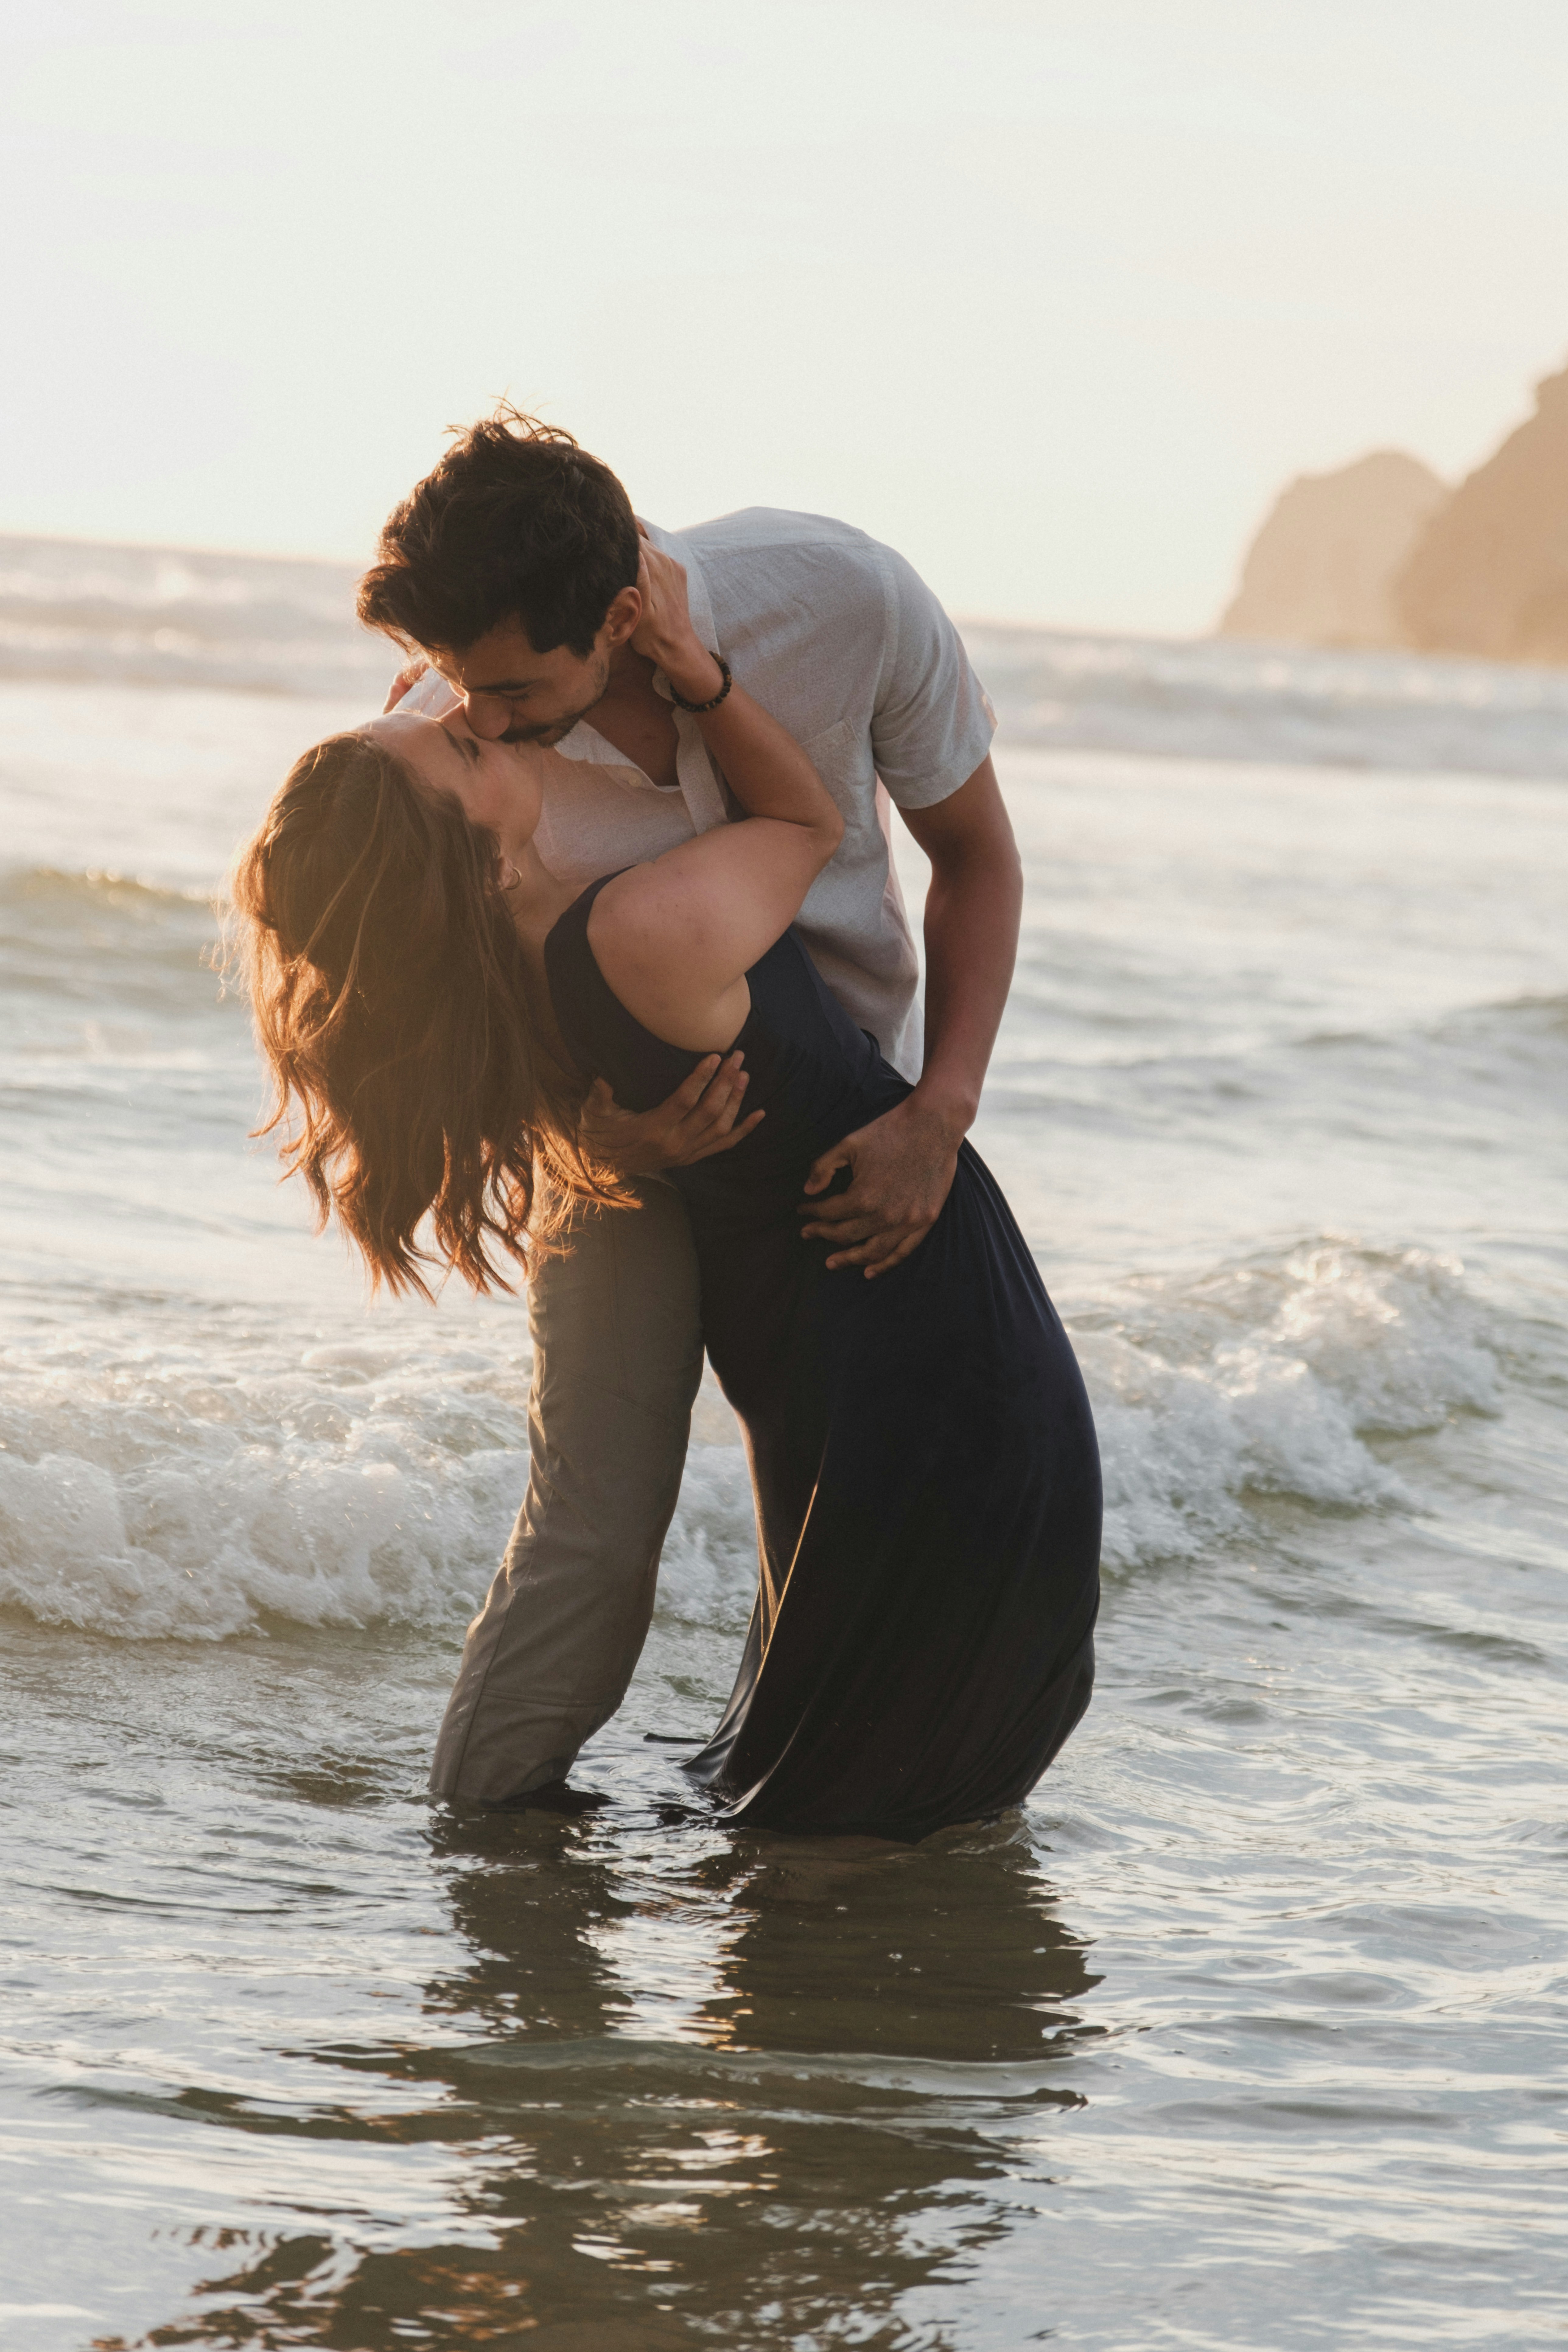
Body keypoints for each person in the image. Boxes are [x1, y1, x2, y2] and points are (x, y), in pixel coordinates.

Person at [231, 533, 1101, 1836]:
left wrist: (941, 1111)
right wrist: (592, 1149)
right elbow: (786, 830)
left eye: (503, 703)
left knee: (828, 1553)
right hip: (642, 1162)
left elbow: (944, 851)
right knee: (593, 1527)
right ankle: (483, 1829)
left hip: (821, 1166)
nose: (480, 719)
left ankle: (525, 1839)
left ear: (614, 625)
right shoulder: (432, 760)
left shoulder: (829, 609)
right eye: (461, 711)